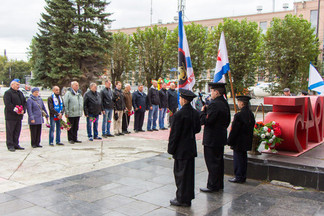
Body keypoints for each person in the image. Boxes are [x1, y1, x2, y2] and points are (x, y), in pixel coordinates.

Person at [168, 89, 201, 207]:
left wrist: (171, 149)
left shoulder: (179, 114)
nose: (180, 100)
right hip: (190, 147)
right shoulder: (195, 113)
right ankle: (187, 198)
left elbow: (174, 134)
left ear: (184, 100)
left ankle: (181, 198)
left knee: (180, 174)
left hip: (181, 149)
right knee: (188, 175)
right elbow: (197, 129)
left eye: (180, 98)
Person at [200, 83, 230, 193]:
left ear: (216, 92)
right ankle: (219, 184)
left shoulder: (214, 104)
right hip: (220, 137)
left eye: (212, 91)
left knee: (212, 162)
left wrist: (203, 112)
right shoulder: (224, 103)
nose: (211, 93)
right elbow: (227, 121)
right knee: (219, 162)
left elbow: (206, 121)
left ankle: (212, 185)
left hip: (212, 138)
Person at [227, 95, 255, 183]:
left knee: (238, 159)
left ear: (242, 103)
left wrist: (229, 140)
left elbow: (234, 130)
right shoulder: (250, 114)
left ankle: (238, 176)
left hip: (238, 141)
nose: (238, 104)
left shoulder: (239, 115)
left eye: (239, 102)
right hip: (246, 140)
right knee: (243, 159)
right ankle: (242, 176)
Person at [3, 80, 26, 152]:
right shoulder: (8, 93)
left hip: (19, 116)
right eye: (17, 85)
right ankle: (10, 145)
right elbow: (8, 104)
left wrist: (23, 110)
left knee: (17, 131)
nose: (18, 86)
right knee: (10, 131)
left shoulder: (20, 93)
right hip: (11, 116)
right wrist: (17, 110)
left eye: (19, 85)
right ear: (12, 85)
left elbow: (24, 102)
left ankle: (16, 144)